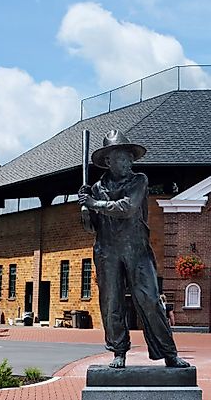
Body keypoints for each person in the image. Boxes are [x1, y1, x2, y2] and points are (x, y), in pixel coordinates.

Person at [79, 129, 190, 369]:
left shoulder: (139, 180)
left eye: (129, 158)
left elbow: (127, 207)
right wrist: (86, 211)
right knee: (112, 302)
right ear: (108, 161)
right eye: (121, 158)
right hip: (107, 251)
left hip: (137, 250)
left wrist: (94, 204)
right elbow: (91, 228)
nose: (127, 162)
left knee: (149, 299)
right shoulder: (97, 188)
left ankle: (168, 352)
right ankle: (118, 350)